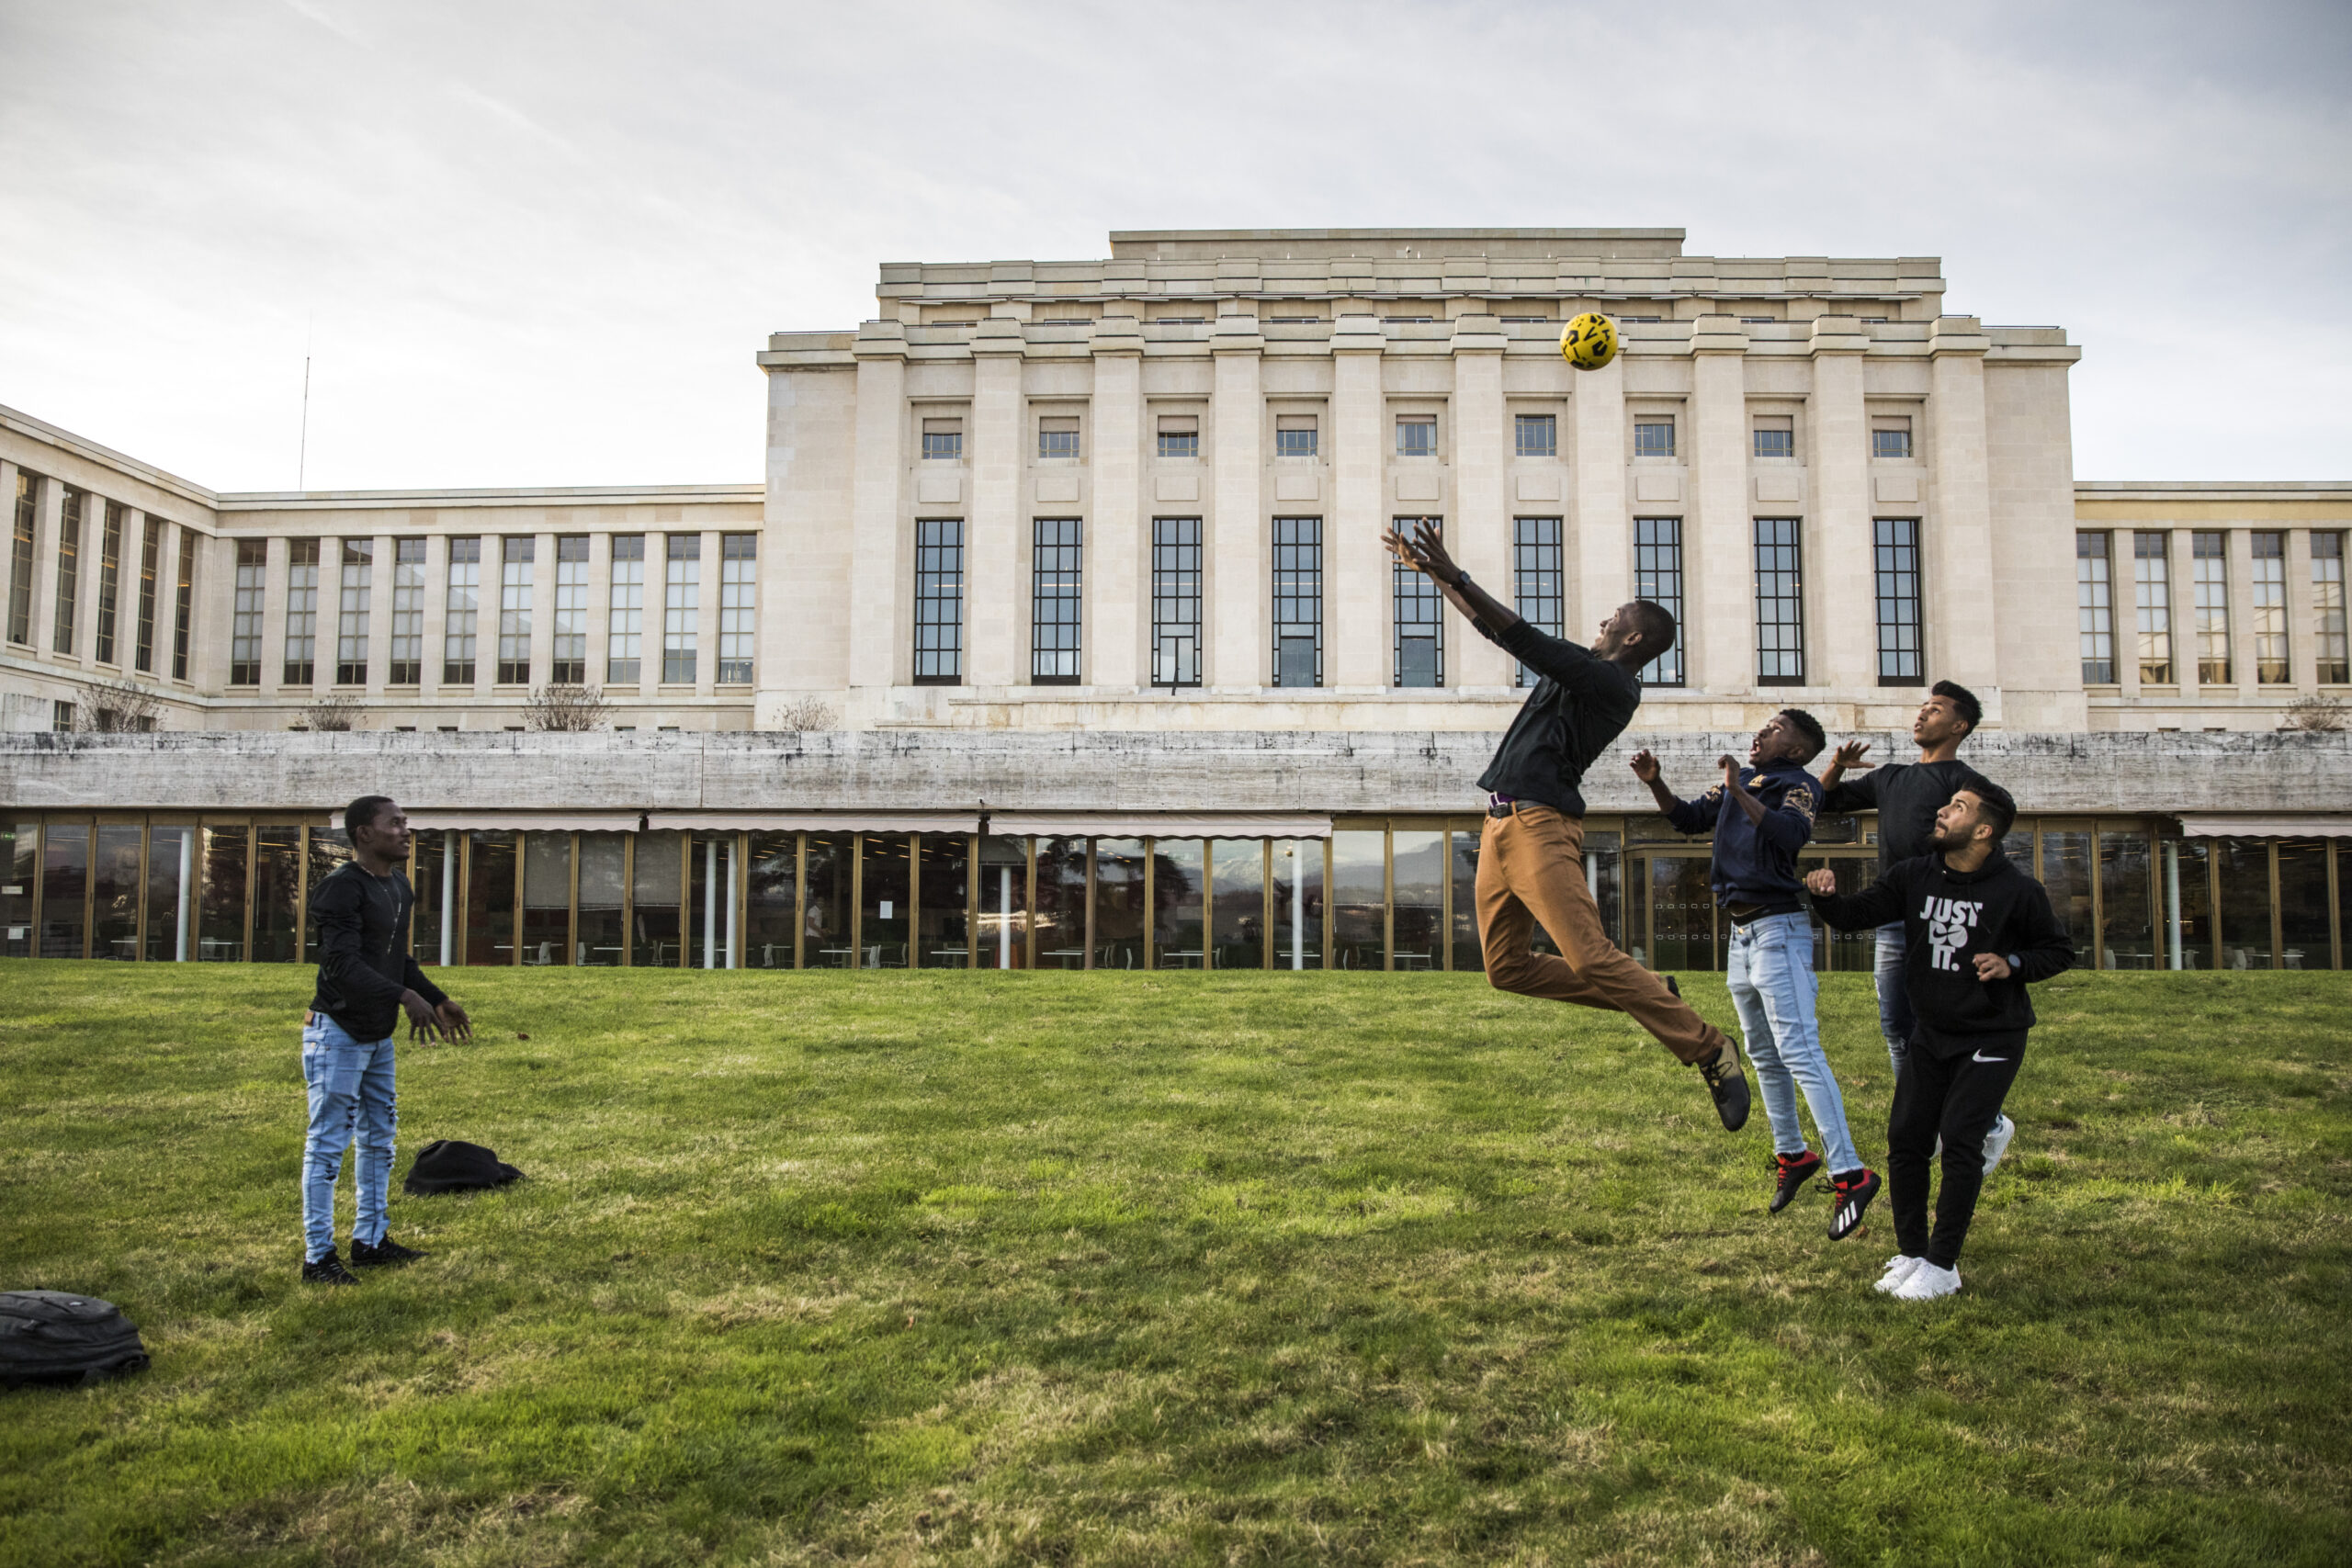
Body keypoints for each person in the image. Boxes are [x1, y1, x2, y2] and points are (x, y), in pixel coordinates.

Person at [1383, 518, 1751, 1132]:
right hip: (1499, 825)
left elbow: (1519, 637)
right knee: (1508, 968)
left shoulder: (1612, 684)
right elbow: (1490, 626)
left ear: (1632, 636)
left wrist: (1458, 574)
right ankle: (1651, 990)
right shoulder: (1582, 668)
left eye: (1614, 615)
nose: (1603, 619)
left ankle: (1708, 1046)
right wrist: (1435, 576)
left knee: (1590, 957)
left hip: (1540, 825)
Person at [1804, 780, 2072, 1300]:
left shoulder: (2017, 891)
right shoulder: (1914, 875)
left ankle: (1943, 1265)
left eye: (1958, 807)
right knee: (1906, 1140)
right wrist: (1827, 898)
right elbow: (1857, 915)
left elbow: (2058, 951)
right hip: (1931, 1033)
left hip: (1992, 1036)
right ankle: (1912, 1254)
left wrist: (2012, 963)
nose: (1944, 812)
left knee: (1960, 1143)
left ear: (1984, 830)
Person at [1632, 712, 1881, 1238]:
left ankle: (1850, 1172)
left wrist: (1735, 791)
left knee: (1799, 1051)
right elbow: (1688, 819)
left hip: (1778, 931)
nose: (1760, 733)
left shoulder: (1801, 786)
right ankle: (1792, 1154)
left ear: (1794, 749)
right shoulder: (1743, 780)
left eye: (1773, 729)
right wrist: (1657, 783)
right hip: (1740, 936)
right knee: (1762, 1052)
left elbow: (1788, 835)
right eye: (1762, 728)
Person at [1819, 681, 2016, 1175]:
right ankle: (1923, 1119)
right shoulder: (1890, 777)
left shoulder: (1969, 786)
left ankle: (1988, 1123)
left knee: (1944, 1028)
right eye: (1922, 708)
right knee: (1896, 1027)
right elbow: (1823, 802)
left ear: (1959, 726)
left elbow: (1986, 851)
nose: (1922, 715)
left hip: (1944, 920)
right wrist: (1837, 766)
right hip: (1893, 917)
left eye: (1935, 709)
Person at [300, 795, 472, 1285]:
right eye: (394, 823)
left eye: (405, 821)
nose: (405, 830)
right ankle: (318, 1258)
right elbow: (342, 966)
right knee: (327, 1145)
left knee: (380, 1141)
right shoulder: (339, 891)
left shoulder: (398, 886)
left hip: (378, 1036)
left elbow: (397, 958)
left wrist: (435, 998)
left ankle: (371, 1242)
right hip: (337, 1032)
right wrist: (402, 996)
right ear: (364, 834)